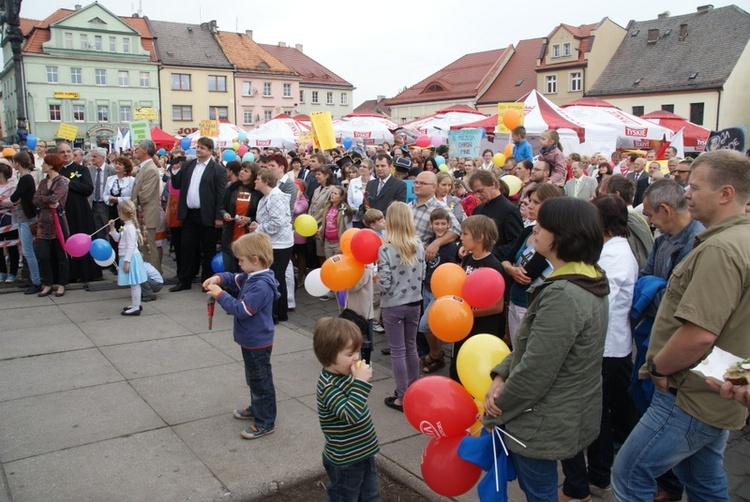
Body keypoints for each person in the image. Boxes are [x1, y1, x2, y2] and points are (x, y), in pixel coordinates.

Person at [612, 150, 750, 501]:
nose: (686, 194)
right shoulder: (737, 240)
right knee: (703, 479)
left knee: (628, 475)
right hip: (715, 391)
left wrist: (658, 367)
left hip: (688, 394)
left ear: (725, 194)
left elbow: (700, 334)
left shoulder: (720, 249)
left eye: (694, 186)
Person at [483, 197, 609, 501]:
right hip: (557, 411)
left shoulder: (564, 293)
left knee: (538, 492)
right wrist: (501, 375)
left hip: (541, 418)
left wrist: (496, 415)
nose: (535, 229)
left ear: (564, 236)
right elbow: (532, 344)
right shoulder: (584, 276)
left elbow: (536, 369)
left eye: (543, 224)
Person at [560, 195, 639, 502]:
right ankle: (597, 475)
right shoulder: (611, 250)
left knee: (591, 414)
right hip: (608, 344)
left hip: (605, 347)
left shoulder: (614, 255)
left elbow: (597, 300)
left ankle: (591, 479)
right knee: (598, 413)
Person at [203, 232, 280, 440]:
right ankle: (257, 408)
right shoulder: (252, 275)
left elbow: (242, 310)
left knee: (261, 381)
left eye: (241, 260)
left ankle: (265, 421)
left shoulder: (261, 285)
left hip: (257, 342)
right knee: (254, 379)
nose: (238, 263)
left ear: (254, 260)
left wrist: (220, 294)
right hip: (250, 340)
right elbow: (233, 278)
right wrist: (218, 277)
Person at [313, 317, 380, 501]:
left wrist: (357, 380)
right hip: (345, 459)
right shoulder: (328, 386)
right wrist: (360, 382)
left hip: (363, 451)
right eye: (350, 353)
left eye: (358, 351)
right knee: (344, 497)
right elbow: (350, 415)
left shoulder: (345, 375)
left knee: (371, 495)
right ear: (329, 355)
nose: (357, 357)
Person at [378, 202, 425, 412]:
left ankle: (403, 396)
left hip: (393, 305)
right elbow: (422, 275)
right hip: (415, 302)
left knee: (398, 350)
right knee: (411, 346)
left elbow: (385, 284)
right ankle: (414, 390)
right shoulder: (419, 244)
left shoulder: (386, 248)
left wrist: (376, 280)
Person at [501, 183, 562, 345]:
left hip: (533, 306)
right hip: (515, 299)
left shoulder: (555, 237)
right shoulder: (528, 230)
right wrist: (510, 268)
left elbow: (528, 274)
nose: (530, 206)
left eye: (536, 202)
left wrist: (512, 269)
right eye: (529, 201)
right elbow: (507, 258)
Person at [451, 215, 505, 382]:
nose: (461, 237)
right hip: (464, 327)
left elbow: (498, 307)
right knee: (457, 370)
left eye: (465, 233)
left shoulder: (493, 266)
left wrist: (468, 313)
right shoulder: (467, 259)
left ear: (480, 237)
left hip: (483, 329)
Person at [170, 137, 226, 291]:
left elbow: (221, 195)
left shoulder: (218, 169)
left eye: (202, 148)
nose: (199, 150)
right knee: (187, 247)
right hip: (189, 214)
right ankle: (185, 280)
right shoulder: (189, 165)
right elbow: (176, 183)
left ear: (210, 151)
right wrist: (175, 168)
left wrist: (218, 216)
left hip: (207, 214)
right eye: (198, 147)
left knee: (208, 249)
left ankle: (207, 282)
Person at [248, 168, 294, 323]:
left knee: (273, 279)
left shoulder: (276, 197)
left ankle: (273, 314)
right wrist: (258, 225)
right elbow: (267, 219)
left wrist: (258, 228)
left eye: (258, 179)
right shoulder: (265, 198)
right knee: (276, 278)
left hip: (279, 245)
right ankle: (280, 312)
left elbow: (277, 223)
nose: (255, 181)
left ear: (266, 182)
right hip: (271, 243)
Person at [419, 208, 459, 374]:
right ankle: (436, 356)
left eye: (443, 223)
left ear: (449, 224)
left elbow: (454, 269)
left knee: (425, 325)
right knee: (432, 327)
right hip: (427, 288)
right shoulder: (429, 243)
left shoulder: (450, 247)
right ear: (431, 224)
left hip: (439, 292)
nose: (440, 227)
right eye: (437, 223)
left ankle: (436, 353)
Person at [57, 142, 101, 282]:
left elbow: (88, 188)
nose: (66, 154)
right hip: (63, 212)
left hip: (80, 211)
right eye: (62, 152)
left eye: (68, 151)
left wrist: (69, 182)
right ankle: (70, 274)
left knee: (83, 240)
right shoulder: (56, 171)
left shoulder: (81, 169)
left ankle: (88, 273)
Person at [33, 154, 69, 298]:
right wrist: (47, 200)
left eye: (45, 164)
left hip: (57, 221)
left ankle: (62, 283)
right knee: (43, 255)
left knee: (61, 255)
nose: (42, 166)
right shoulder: (43, 182)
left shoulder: (61, 181)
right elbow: (35, 200)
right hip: (43, 221)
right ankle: (47, 283)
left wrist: (45, 199)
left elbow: (56, 198)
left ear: (51, 165)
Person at [469, 169, 523, 262]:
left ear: (493, 184)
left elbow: (517, 242)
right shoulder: (477, 210)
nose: (477, 196)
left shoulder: (510, 210)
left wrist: (487, 252)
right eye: (475, 193)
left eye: (480, 191)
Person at [108, 200, 148, 316]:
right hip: (127, 257)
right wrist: (112, 229)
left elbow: (131, 245)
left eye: (119, 212)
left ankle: (136, 307)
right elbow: (118, 239)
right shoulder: (126, 226)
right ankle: (135, 303)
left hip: (131, 258)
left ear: (121, 212)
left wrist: (127, 261)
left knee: (135, 283)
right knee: (133, 283)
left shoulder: (129, 228)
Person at [220, 162, 261, 273]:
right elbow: (222, 207)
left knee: (245, 270)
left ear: (253, 175)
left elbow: (261, 215)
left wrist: (249, 219)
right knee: (229, 269)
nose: (241, 172)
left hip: (248, 236)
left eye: (246, 171)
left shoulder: (258, 192)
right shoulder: (231, 188)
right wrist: (224, 214)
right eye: (241, 169)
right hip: (230, 234)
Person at [9, 152, 41, 293]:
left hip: (27, 218)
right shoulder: (25, 177)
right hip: (25, 217)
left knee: (28, 251)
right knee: (28, 251)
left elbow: (14, 197)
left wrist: (17, 199)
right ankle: (33, 278)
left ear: (17, 163)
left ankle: (36, 280)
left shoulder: (25, 178)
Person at [130, 140, 164, 274]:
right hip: (141, 213)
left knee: (149, 248)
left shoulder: (150, 169)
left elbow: (145, 195)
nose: (135, 151)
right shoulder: (143, 167)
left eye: (138, 148)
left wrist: (129, 205)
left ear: (145, 150)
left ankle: (154, 276)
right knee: (144, 247)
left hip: (147, 215)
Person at [309, 164, 337, 266]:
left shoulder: (332, 189)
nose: (316, 176)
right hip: (312, 225)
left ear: (326, 176)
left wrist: (320, 225)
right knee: (318, 254)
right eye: (316, 174)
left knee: (324, 255)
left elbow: (328, 209)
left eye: (319, 174)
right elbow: (312, 206)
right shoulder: (317, 189)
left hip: (323, 226)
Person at [320, 186, 355, 258]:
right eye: (332, 192)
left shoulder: (344, 210)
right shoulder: (327, 206)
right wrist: (321, 229)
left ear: (341, 197)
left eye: (335, 194)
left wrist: (342, 245)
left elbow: (348, 229)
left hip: (338, 243)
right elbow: (326, 222)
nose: (332, 195)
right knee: (329, 263)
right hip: (327, 242)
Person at [88, 147, 115, 240]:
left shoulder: (111, 170)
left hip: (106, 205)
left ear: (102, 157)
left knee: (108, 229)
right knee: (97, 230)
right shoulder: (89, 169)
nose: (92, 159)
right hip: (94, 204)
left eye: (94, 156)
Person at [348, 158, 372, 228]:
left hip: (371, 219)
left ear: (370, 170)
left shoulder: (375, 182)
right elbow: (349, 200)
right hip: (356, 218)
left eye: (364, 167)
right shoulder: (353, 182)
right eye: (360, 166)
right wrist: (359, 212)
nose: (361, 168)